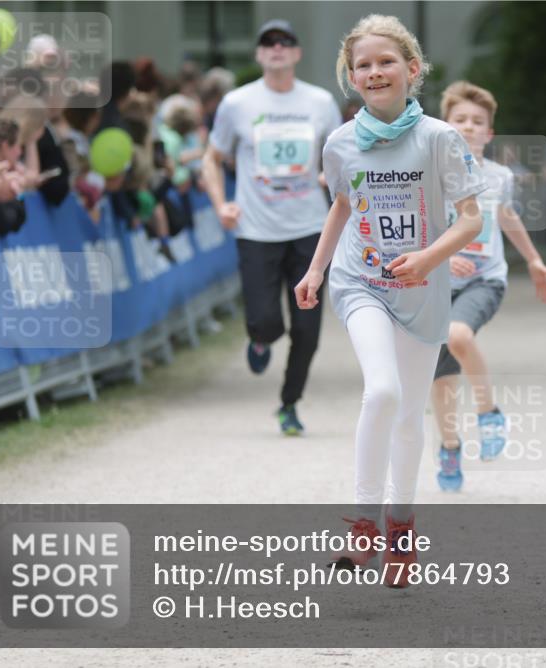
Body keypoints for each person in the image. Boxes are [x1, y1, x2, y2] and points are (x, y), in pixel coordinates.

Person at [293, 14, 484, 587]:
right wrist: (317, 269)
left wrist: (429, 258)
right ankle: (364, 524)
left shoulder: (438, 139)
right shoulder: (340, 143)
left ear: (412, 69)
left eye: (385, 62)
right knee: (381, 391)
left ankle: (401, 529)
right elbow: (342, 207)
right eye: (362, 65)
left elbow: (470, 219)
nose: (374, 72)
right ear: (351, 78)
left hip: (422, 289)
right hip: (361, 281)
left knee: (407, 415)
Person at [203, 19, 342, 436]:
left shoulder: (319, 102)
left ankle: (289, 403)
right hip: (257, 230)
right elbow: (211, 158)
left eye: (285, 42)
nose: (277, 48)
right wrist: (220, 204)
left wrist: (327, 178)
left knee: (307, 328)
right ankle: (261, 338)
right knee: (267, 320)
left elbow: (338, 157)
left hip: (310, 230)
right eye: (269, 43)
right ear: (259, 54)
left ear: (297, 53)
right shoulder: (237, 103)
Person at [432, 80, 546, 491]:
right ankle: (450, 447)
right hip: (435, 283)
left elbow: (507, 218)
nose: (468, 127)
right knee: (440, 377)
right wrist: (445, 256)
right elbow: (419, 231)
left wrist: (534, 259)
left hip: (484, 280)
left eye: (477, 122)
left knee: (458, 335)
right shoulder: (431, 176)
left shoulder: (499, 176)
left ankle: (489, 412)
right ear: (444, 128)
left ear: (489, 133)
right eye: (459, 120)